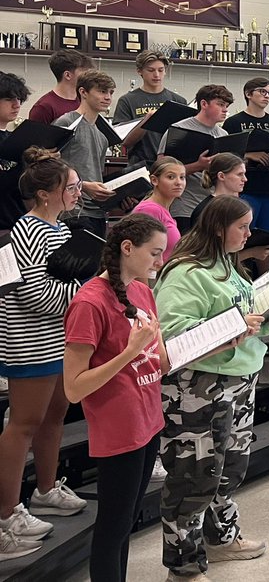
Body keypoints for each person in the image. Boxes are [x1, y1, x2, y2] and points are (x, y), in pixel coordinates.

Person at [155, 196, 269, 579]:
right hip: (199, 386)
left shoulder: (232, 267)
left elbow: (248, 325)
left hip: (240, 379)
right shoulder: (185, 272)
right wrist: (234, 327)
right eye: (242, 227)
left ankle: (221, 537)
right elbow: (173, 335)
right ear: (217, 227)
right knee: (193, 475)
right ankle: (183, 565)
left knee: (229, 467)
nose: (249, 234)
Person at [63, 214, 169, 582]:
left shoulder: (142, 290)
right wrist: (127, 352)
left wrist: (224, 337)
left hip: (148, 418)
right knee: (112, 527)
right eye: (154, 253)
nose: (160, 261)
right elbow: (73, 388)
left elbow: (161, 361)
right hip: (118, 427)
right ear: (127, 249)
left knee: (127, 523)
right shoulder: (89, 303)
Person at [0, 150, 88, 554]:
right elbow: (36, 295)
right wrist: (86, 294)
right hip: (29, 339)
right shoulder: (28, 230)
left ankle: (47, 490)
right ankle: (6, 512)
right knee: (23, 424)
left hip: (58, 337)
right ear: (45, 193)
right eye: (70, 187)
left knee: (55, 414)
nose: (77, 192)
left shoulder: (63, 229)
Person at [159, 84, 233, 235]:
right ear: (204, 104)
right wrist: (198, 166)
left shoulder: (224, 134)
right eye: (220, 104)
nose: (225, 109)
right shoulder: (179, 129)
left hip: (213, 206)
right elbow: (161, 170)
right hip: (185, 206)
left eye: (227, 105)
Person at [53, 68, 119, 236]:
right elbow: (51, 168)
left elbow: (96, 174)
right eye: (102, 91)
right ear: (83, 92)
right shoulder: (66, 122)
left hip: (97, 211)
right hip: (72, 211)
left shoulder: (102, 136)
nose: (108, 97)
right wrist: (85, 186)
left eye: (110, 92)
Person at [222, 77, 269, 235]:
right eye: (262, 92)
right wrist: (249, 155)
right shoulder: (233, 123)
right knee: (242, 236)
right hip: (245, 188)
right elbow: (225, 156)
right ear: (248, 94)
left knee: (268, 238)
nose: (267, 96)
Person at [113, 50, 188, 169]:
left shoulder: (178, 101)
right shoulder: (127, 101)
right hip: (140, 166)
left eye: (161, 70)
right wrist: (147, 121)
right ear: (139, 71)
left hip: (170, 167)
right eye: (151, 70)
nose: (157, 75)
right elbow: (125, 142)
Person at [132, 155, 186, 262]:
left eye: (182, 177)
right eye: (171, 177)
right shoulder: (149, 210)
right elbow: (139, 255)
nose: (178, 182)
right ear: (154, 180)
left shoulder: (163, 209)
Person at [0, 71, 32, 234]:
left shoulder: (17, 139)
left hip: (16, 225)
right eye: (9, 99)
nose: (17, 104)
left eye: (19, 99)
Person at [28, 49, 93, 124]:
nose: (89, 76)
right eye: (84, 72)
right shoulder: (43, 108)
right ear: (68, 75)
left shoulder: (84, 101)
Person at [190, 154, 247, 226]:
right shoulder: (206, 209)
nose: (245, 179)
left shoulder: (240, 205)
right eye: (239, 174)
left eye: (244, 174)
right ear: (221, 176)